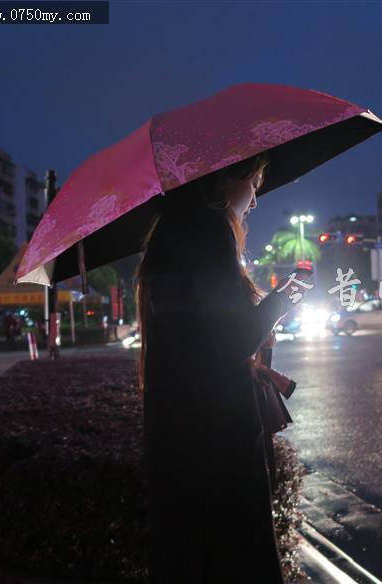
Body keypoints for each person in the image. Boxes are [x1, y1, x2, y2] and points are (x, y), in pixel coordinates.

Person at [136, 154, 306, 583]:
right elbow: (231, 340)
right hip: (217, 436)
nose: (254, 198)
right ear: (227, 177)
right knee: (235, 556)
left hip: (178, 428)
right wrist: (283, 298)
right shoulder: (208, 229)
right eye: (255, 182)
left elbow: (199, 333)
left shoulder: (169, 231)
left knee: (188, 555)